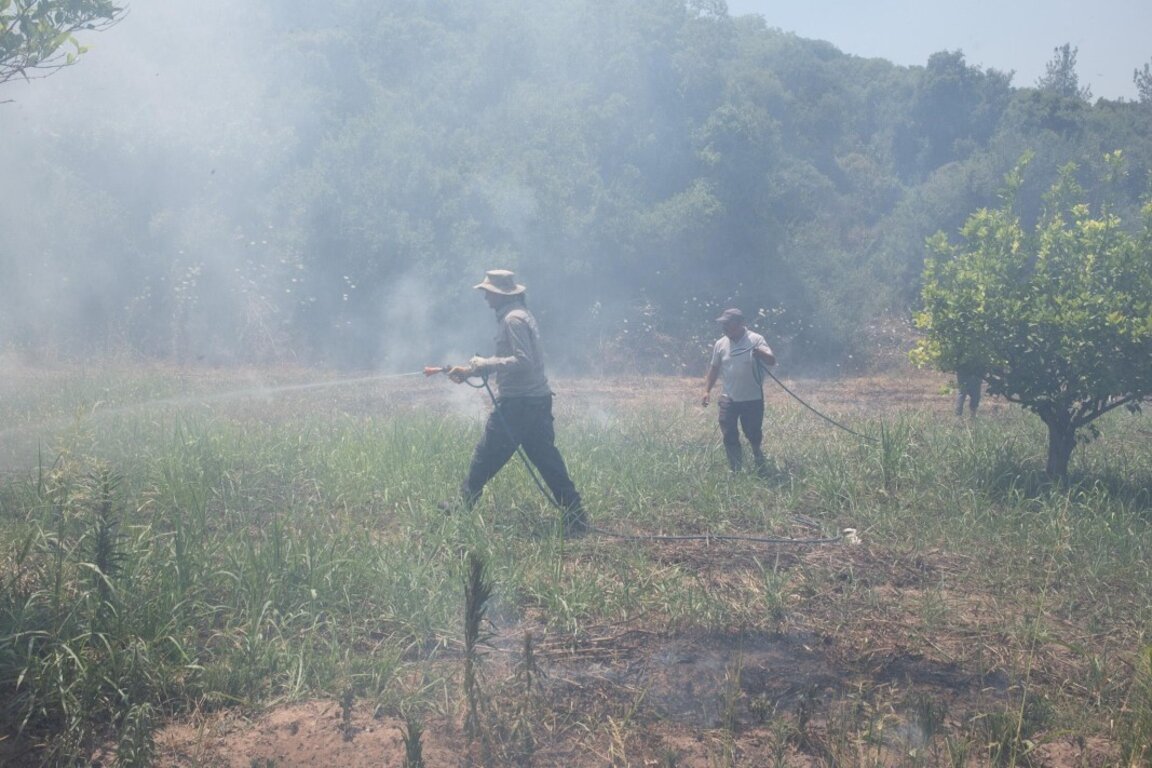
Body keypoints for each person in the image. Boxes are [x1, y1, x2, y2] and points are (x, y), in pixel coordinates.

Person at [443, 269, 588, 535]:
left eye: (488, 293)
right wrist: (470, 371)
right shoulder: (519, 316)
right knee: (548, 461)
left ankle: (461, 508)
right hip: (535, 402)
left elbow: (523, 361)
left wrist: (486, 363)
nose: (486, 298)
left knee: (484, 457)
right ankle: (576, 517)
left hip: (519, 405)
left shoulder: (513, 320)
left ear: (500, 294)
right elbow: (512, 361)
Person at [701, 308, 777, 474]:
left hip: (752, 397)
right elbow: (714, 369)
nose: (725, 327)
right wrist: (707, 391)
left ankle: (757, 454)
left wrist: (760, 353)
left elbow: (771, 360)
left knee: (753, 433)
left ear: (741, 323)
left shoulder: (756, 339)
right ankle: (735, 469)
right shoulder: (720, 344)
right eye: (723, 324)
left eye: (729, 324)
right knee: (728, 432)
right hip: (729, 397)